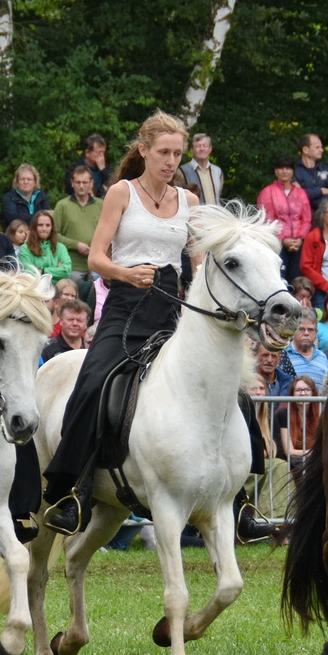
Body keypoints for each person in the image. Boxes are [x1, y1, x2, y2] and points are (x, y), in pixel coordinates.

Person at [41, 112, 270, 542]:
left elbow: (200, 261)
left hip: (173, 309)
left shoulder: (191, 202)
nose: (170, 161)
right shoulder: (120, 192)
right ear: (143, 150)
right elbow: (96, 258)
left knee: (233, 388)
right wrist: (126, 274)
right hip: (126, 309)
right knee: (92, 383)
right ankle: (71, 492)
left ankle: (241, 503)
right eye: (163, 152)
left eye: (177, 154)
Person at [257, 155, 311, 283]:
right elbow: (267, 220)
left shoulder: (300, 192)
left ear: (293, 171)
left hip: (298, 244)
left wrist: (300, 238)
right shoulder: (267, 192)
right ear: (276, 171)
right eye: (281, 168)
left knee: (297, 281)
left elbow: (307, 218)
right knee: (278, 279)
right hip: (277, 244)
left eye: (288, 168)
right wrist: (283, 239)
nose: (284, 171)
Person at [53, 163, 103, 287]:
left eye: (85, 182)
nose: (81, 186)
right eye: (78, 182)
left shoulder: (101, 205)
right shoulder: (62, 206)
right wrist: (76, 245)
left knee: (98, 301)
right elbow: (54, 235)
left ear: (91, 183)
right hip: (72, 265)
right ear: (72, 183)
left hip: (97, 264)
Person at [273, 315, 328, 394]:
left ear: (316, 333)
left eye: (310, 330)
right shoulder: (283, 355)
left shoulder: (322, 357)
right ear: (293, 331)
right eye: (301, 329)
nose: (306, 333)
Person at [293, 134, 328, 214]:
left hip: (324, 221)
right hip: (300, 221)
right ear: (305, 150)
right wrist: (320, 191)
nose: (321, 150)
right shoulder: (293, 172)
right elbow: (294, 197)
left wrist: (307, 200)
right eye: (317, 147)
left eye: (321, 147)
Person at [18, 209, 72, 280]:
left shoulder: (60, 247)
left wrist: (42, 271)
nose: (44, 229)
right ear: (34, 227)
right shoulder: (25, 249)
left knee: (68, 288)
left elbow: (66, 271)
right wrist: (56, 270)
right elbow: (29, 273)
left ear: (52, 227)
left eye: (48, 225)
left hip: (58, 285)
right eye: (40, 225)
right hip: (36, 286)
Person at [1, 164, 51, 230]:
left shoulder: (41, 196)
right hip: (15, 236)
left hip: (37, 235)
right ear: (17, 182)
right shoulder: (9, 198)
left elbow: (47, 219)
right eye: (22, 179)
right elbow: (14, 219)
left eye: (29, 179)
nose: (25, 182)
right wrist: (39, 218)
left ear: (35, 182)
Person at [179, 134, 224, 205]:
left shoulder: (217, 171)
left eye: (205, 146)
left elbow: (218, 195)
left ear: (210, 149)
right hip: (195, 215)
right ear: (192, 150)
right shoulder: (182, 171)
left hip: (216, 215)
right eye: (198, 146)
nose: (202, 149)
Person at [43, 298, 90, 363]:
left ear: (86, 324)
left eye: (79, 320)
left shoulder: (91, 349)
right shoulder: (46, 349)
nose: (75, 324)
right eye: (70, 319)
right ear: (61, 321)